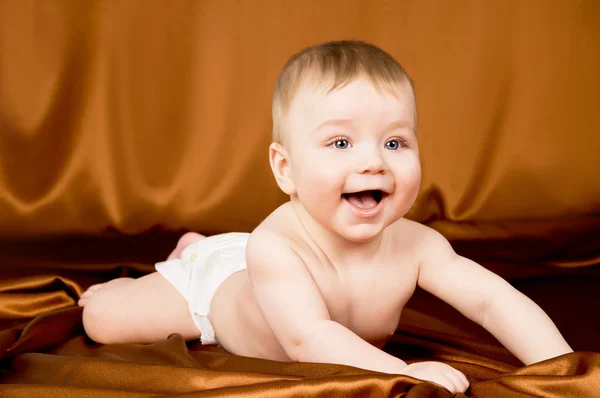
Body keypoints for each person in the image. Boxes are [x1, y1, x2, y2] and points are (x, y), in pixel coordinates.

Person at [78, 40, 573, 394]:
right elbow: (307, 337)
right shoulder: (274, 247)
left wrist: (560, 368)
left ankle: (196, 245)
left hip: (249, 265)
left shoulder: (417, 245)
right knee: (100, 320)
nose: (373, 161)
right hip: (214, 293)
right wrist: (403, 372)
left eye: (395, 142)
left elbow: (493, 300)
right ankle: (192, 256)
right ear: (285, 169)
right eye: (341, 143)